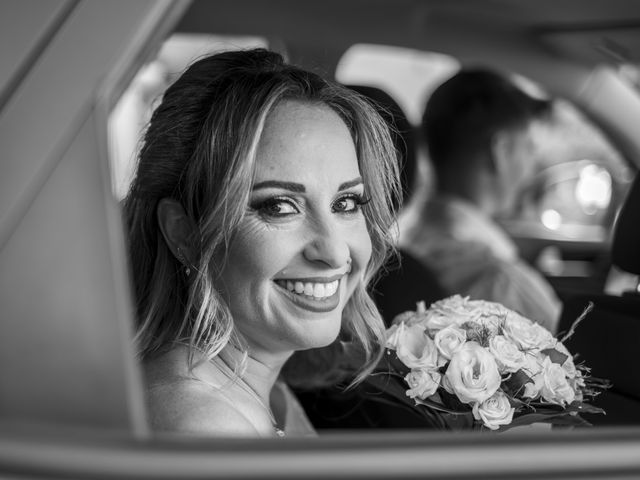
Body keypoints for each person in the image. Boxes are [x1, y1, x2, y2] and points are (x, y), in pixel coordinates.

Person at [122, 49, 400, 437]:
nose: (336, 252)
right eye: (279, 206)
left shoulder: (263, 391)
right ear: (184, 232)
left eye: (346, 203)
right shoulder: (206, 426)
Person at [400, 68, 561, 333]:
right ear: (499, 151)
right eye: (529, 147)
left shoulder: (400, 242)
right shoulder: (500, 281)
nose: (532, 165)